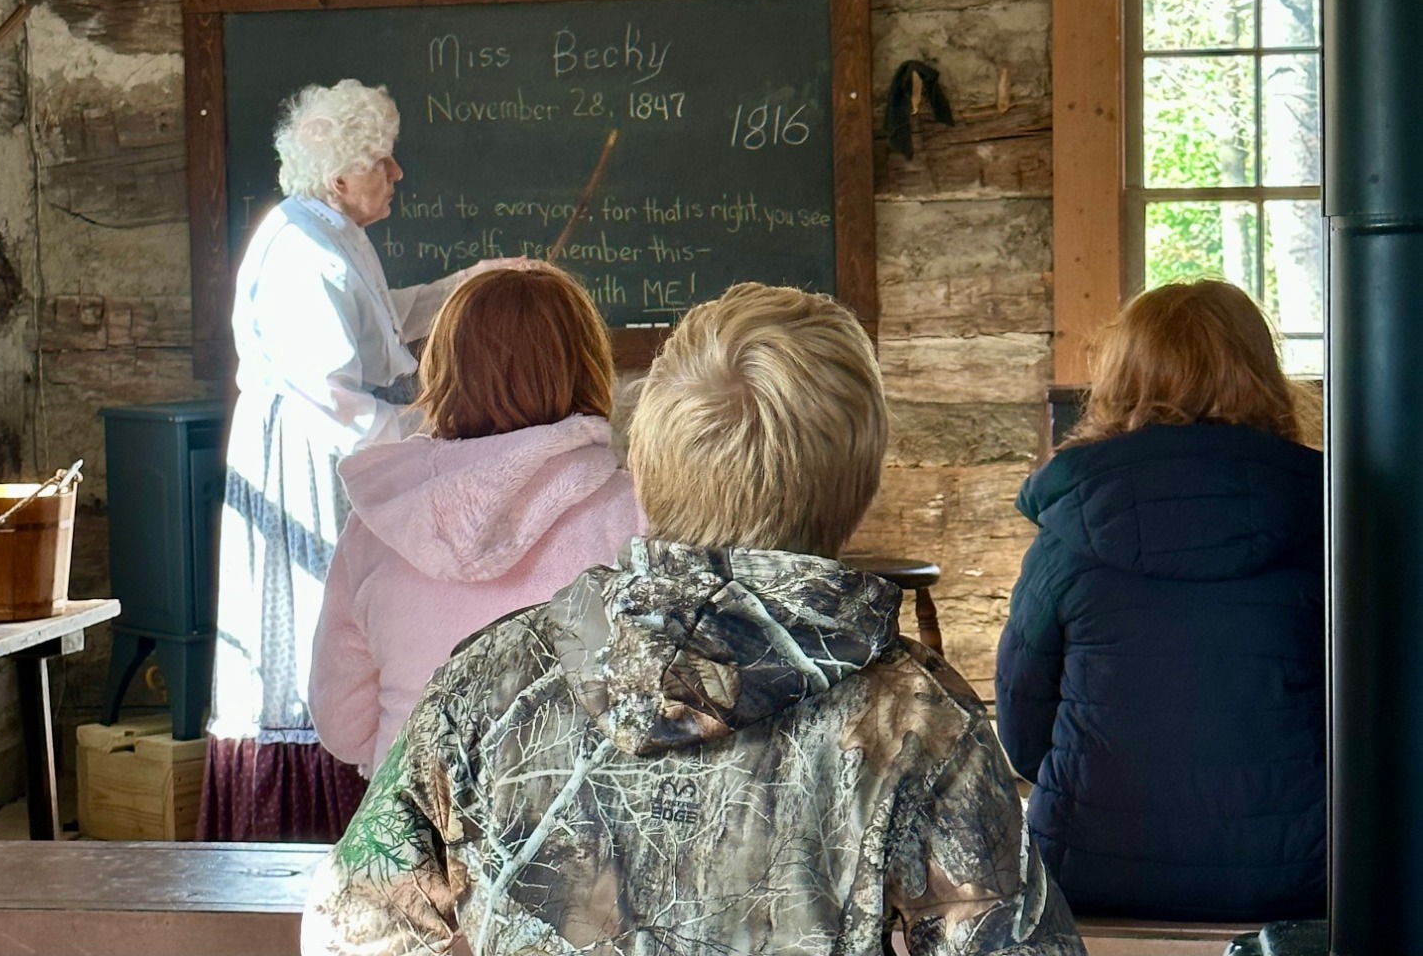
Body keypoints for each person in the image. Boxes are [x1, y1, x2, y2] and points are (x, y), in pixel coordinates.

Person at [303, 283, 1084, 956]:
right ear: (861, 480)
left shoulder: (488, 685)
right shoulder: (918, 725)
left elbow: (350, 926)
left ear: (645, 460)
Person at [201, 78, 511, 843]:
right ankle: (307, 828)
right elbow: (328, 393)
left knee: (342, 611)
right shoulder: (303, 246)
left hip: (333, 442)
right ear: (339, 175)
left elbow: (374, 319)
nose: (397, 173)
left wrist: (457, 290)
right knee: (316, 618)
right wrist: (420, 427)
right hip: (306, 458)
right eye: (383, 160)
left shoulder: (331, 231)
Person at [995, 280, 1324, 921]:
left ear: (1120, 380)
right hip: (1292, 873)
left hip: (1090, 866)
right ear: (1263, 375)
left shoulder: (1070, 532)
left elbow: (1020, 719)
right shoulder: (1326, 523)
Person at [308, 262, 643, 778]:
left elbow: (343, 726)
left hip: (413, 836)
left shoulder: (378, 522)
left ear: (444, 372)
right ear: (588, 367)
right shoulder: (633, 514)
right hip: (579, 837)